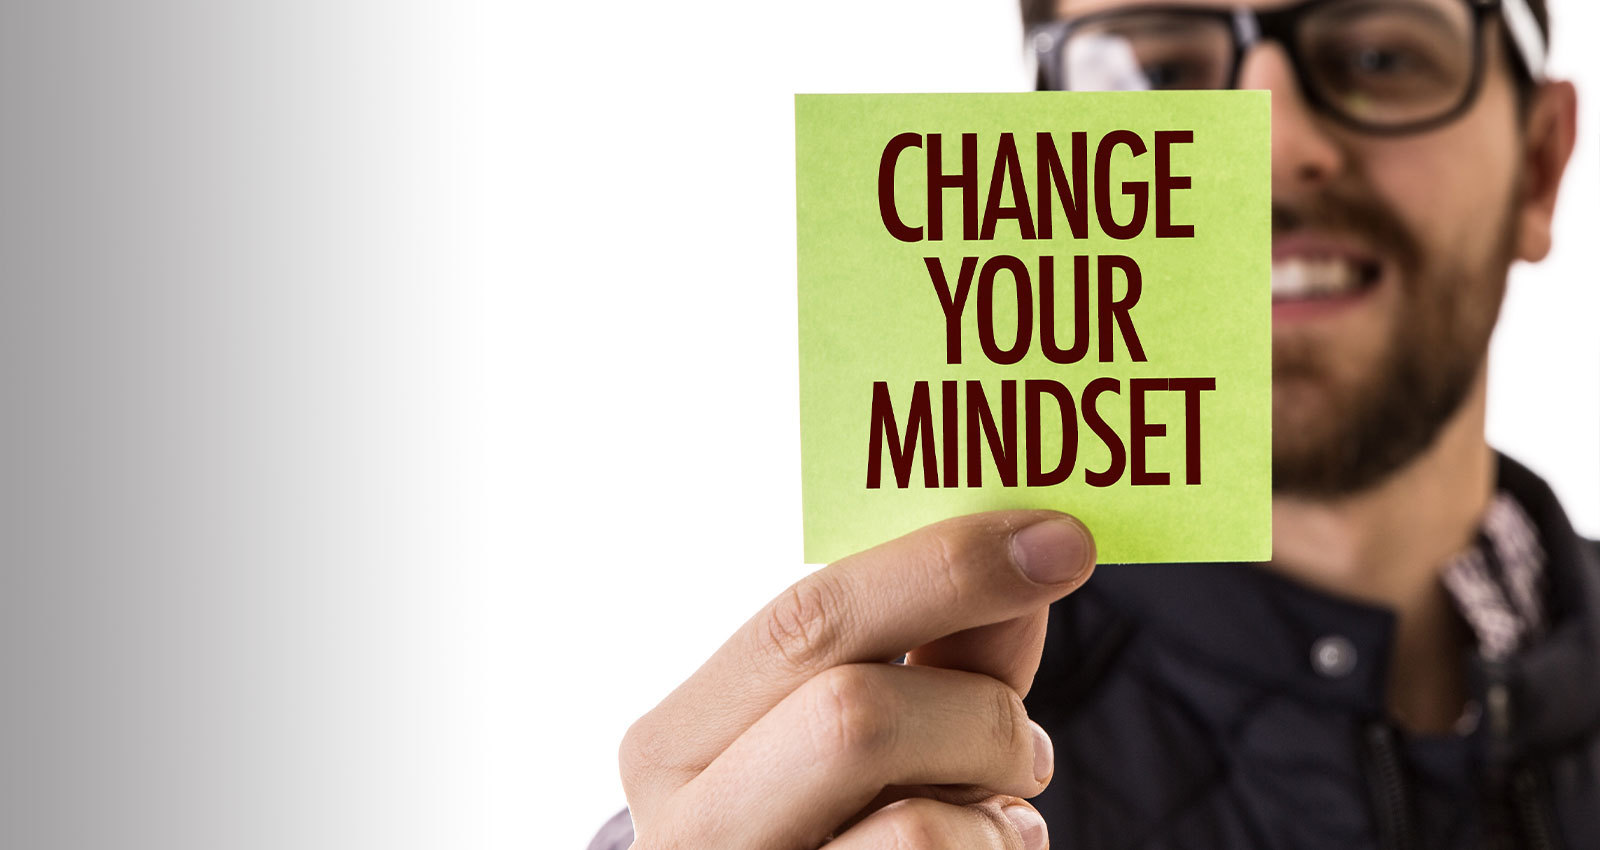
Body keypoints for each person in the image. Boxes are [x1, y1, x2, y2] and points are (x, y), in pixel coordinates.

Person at [593, 0, 1589, 846]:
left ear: (1539, 165)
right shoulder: (883, 782)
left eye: (1379, 55)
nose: (1276, 141)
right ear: (1053, 163)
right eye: (1156, 69)